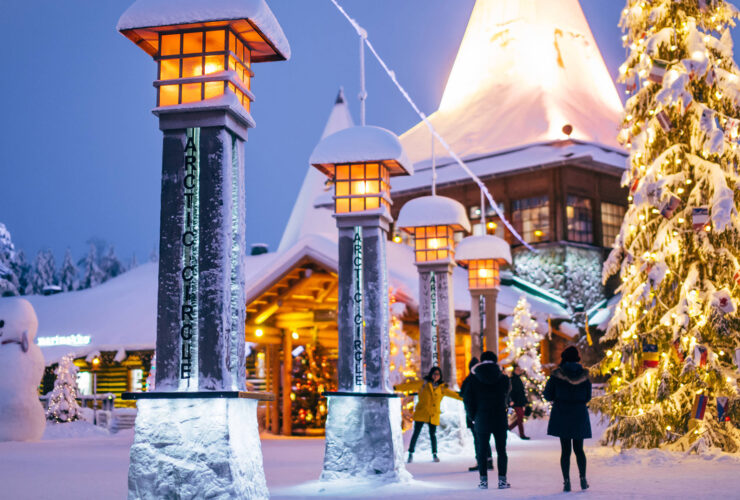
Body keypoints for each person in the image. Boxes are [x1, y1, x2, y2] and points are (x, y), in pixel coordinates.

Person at [544, 345, 592, 492]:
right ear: (577, 358)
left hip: (562, 413)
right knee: (579, 449)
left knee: (565, 450)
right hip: (579, 413)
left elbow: (548, 395)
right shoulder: (584, 375)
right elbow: (588, 396)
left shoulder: (556, 375)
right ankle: (583, 479)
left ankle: (566, 482)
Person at [462, 351, 511, 490]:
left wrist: (473, 416)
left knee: (482, 449)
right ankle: (502, 481)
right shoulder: (503, 378)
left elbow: (467, 399)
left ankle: (483, 481)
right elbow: (507, 396)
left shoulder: (474, 378)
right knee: (501, 450)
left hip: (482, 417)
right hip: (499, 417)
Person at [395, 366, 461, 463]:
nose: (436, 376)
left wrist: (466, 397)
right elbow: (410, 386)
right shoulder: (423, 384)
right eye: (434, 374)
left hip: (433, 414)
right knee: (416, 433)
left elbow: (454, 395)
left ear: (440, 376)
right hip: (422, 412)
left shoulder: (441, 388)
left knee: (433, 434)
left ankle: (434, 454)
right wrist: (396, 388)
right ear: (431, 374)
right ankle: (410, 453)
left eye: (438, 374)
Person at [460, 357, 493, 472]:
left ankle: (482, 461)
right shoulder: (482, 378)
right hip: (484, 414)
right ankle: (488, 460)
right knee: (484, 438)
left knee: (478, 439)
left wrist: (471, 415)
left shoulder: (470, 380)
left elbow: (464, 395)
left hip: (474, 414)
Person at [508, 364, 531, 439]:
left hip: (520, 401)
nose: (519, 371)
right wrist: (511, 400)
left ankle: (508, 429)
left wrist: (526, 402)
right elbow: (510, 391)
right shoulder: (511, 379)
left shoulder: (519, 379)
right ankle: (522, 435)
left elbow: (522, 392)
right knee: (520, 418)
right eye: (517, 369)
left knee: (520, 418)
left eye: (519, 369)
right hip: (515, 402)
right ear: (514, 370)